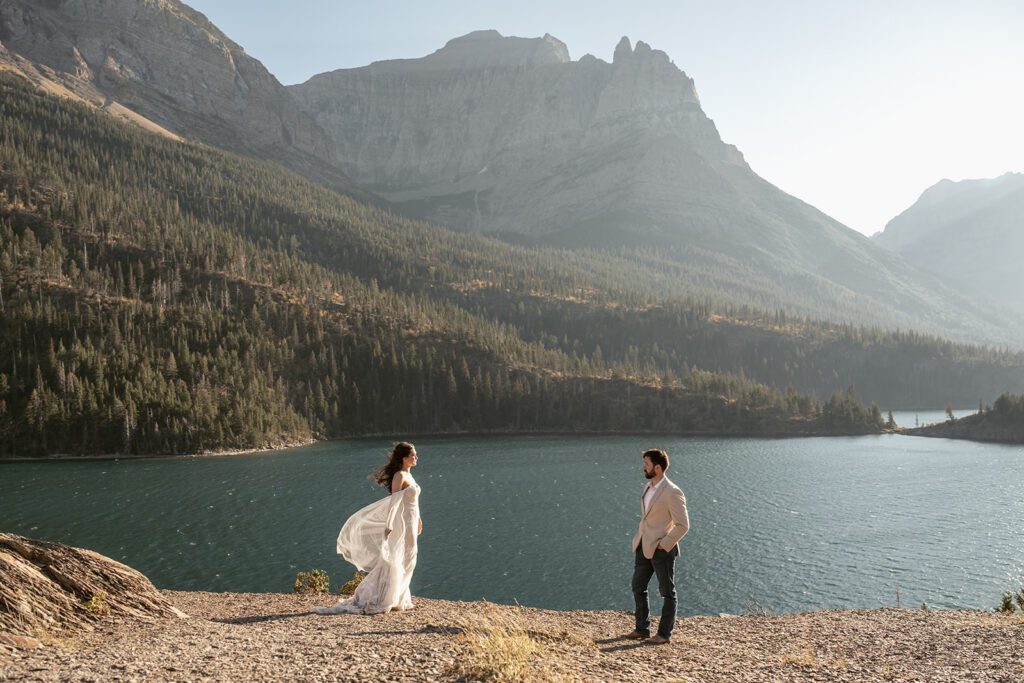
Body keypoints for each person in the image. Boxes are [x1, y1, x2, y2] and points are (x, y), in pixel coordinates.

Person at [315, 442, 422, 615]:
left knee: (410, 558)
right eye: (413, 455)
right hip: (400, 524)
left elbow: (412, 503)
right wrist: (388, 524)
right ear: (404, 458)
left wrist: (419, 520)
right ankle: (386, 598)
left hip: (410, 522)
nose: (416, 457)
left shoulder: (409, 475)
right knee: (395, 559)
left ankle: (400, 596)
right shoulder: (399, 476)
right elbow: (394, 503)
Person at [623, 448, 689, 645]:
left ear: (658, 468)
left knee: (667, 592)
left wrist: (664, 544)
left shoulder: (672, 491)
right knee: (638, 586)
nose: (643, 467)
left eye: (646, 464)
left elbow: (683, 524)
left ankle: (663, 635)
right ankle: (642, 629)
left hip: (662, 550)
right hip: (643, 545)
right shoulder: (647, 488)